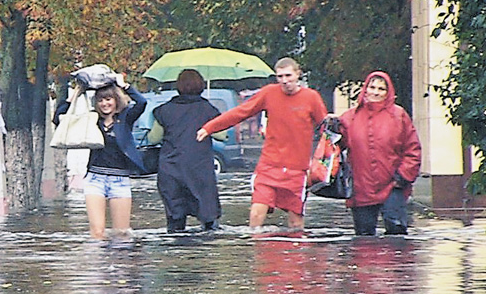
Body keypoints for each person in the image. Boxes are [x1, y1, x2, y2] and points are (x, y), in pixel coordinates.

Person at [196, 57, 327, 230]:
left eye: (288, 75)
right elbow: (241, 112)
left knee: (296, 222)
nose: (284, 81)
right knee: (257, 213)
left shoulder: (311, 97)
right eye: (280, 76)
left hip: (297, 170)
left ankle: (295, 254)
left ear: (298, 74)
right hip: (269, 166)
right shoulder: (269, 93)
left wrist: (324, 160)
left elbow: (326, 129)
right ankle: (257, 252)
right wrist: (210, 127)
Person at [54, 73, 147, 239]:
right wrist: (76, 92)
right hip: (95, 179)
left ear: (116, 99)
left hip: (120, 179)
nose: (105, 104)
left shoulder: (125, 118)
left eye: (108, 99)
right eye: (101, 100)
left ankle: (118, 264)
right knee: (97, 233)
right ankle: (98, 264)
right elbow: (59, 118)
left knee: (121, 234)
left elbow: (142, 102)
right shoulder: (92, 119)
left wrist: (123, 85)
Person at [338, 71, 421, 235]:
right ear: (365, 89)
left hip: (393, 185)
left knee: (397, 233)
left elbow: (412, 148)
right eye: (372, 87)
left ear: (388, 92)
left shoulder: (399, 116)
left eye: (381, 89)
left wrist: (403, 177)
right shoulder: (349, 118)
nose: (376, 92)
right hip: (361, 188)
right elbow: (336, 148)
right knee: (364, 238)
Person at [147, 69, 221, 232]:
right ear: (200, 85)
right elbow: (222, 136)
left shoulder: (164, 110)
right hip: (200, 172)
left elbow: (153, 139)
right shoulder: (207, 109)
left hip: (171, 172)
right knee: (209, 222)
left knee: (175, 223)